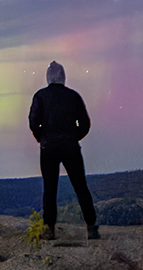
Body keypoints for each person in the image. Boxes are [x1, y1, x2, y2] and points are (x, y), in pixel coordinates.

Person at [28, 61, 99, 241]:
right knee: (81, 186)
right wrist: (73, 137)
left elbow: (33, 122)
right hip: (70, 147)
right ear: (63, 76)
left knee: (50, 189)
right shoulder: (73, 96)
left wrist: (42, 138)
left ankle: (49, 229)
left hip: (48, 148)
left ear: (48, 77)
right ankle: (91, 228)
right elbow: (85, 124)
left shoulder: (41, 96)